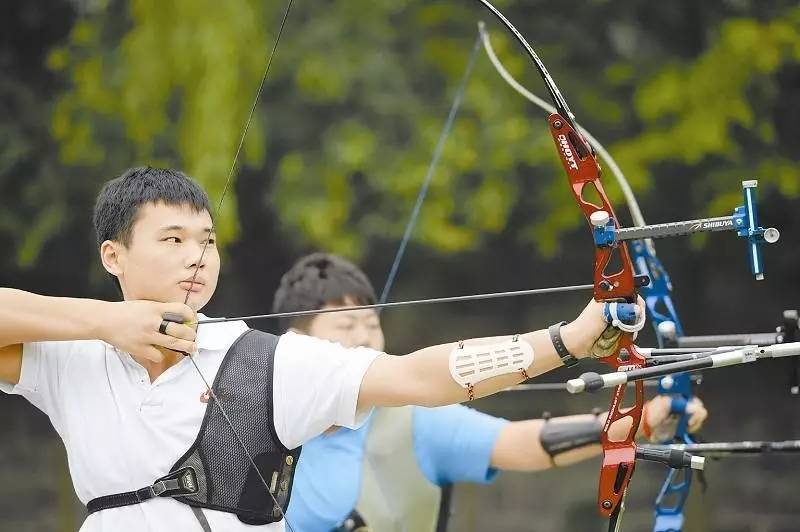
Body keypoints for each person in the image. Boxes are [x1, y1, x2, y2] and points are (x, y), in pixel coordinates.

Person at [0, 167, 640, 532]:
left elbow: (420, 379)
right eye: (172, 239)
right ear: (114, 255)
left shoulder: (263, 361)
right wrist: (108, 323)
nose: (197, 256)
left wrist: (569, 340)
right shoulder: (70, 356)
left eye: (208, 240)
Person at [274, 253, 708, 532]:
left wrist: (640, 421)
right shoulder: (260, 412)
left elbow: (524, 443)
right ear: (299, 342)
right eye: (347, 328)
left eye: (372, 324)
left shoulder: (413, 421)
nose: (368, 338)